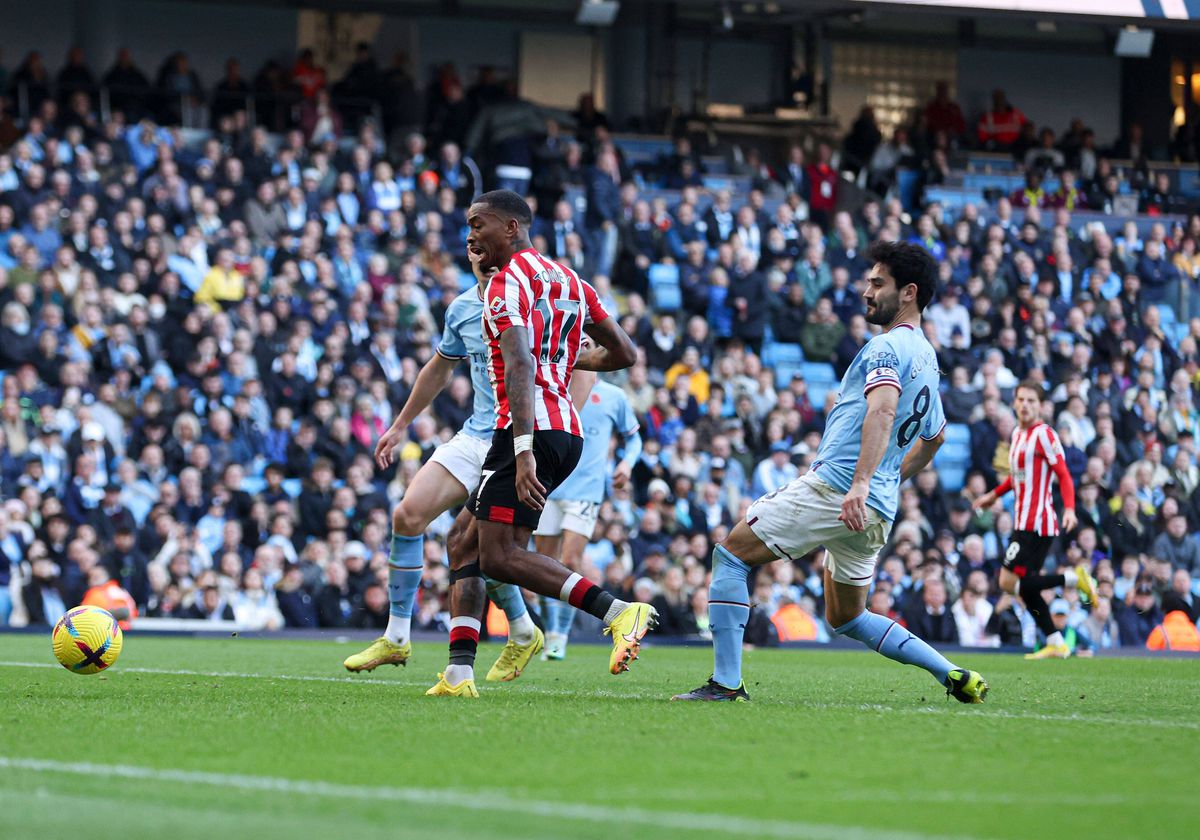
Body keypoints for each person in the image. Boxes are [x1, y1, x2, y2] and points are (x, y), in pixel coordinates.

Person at [674, 241, 988, 703]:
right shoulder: (928, 358)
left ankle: (725, 683)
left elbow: (881, 412)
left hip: (838, 489)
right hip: (878, 507)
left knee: (731, 556)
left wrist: (861, 482)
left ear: (909, 292)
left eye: (878, 283)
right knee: (847, 617)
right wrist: (886, 479)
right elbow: (935, 438)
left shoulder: (886, 346)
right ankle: (952, 673)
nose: (866, 291)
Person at [425, 190, 645, 699]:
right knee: (463, 541)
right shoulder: (571, 280)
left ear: (510, 227)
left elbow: (521, 365)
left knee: (499, 557)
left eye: (478, 224)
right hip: (563, 428)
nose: (470, 236)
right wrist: (567, 363)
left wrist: (522, 449)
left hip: (528, 431)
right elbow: (625, 353)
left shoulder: (505, 285)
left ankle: (617, 612)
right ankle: (459, 674)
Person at [341, 243, 544, 681]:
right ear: (470, 262)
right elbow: (438, 367)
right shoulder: (463, 309)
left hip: (516, 442)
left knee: (487, 551)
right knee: (408, 515)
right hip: (475, 435)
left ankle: (526, 631)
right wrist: (399, 426)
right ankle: (396, 637)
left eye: (495, 260)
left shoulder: (532, 304)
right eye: (478, 258)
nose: (487, 265)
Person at [972, 381, 1099, 659]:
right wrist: (993, 495)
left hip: (1037, 523)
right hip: (1023, 521)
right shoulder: (1017, 434)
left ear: (1040, 405)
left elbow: (1063, 474)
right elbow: (1017, 478)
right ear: (1015, 403)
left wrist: (1069, 508)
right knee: (1026, 589)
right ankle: (1055, 641)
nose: (1025, 404)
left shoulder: (1045, 435)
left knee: (1007, 582)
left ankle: (1072, 578)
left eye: (1031, 400)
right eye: (1021, 399)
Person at [533, 373, 642, 661]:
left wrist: (627, 465)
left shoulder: (613, 396)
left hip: (585, 492)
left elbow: (634, 439)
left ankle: (560, 636)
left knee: (570, 562)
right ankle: (550, 629)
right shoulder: (552, 387)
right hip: (548, 487)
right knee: (543, 567)